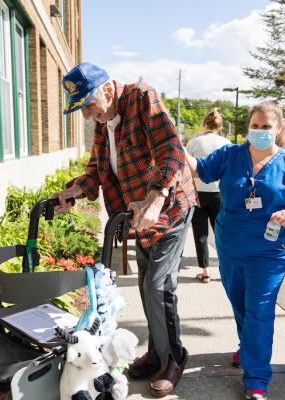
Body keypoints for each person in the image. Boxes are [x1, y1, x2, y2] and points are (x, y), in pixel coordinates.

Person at [54, 63, 197, 398]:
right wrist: (75, 190)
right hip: (140, 213)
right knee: (149, 286)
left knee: (157, 287)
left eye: (88, 105)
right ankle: (157, 353)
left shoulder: (141, 97)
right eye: (82, 110)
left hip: (170, 207)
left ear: (106, 90)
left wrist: (157, 196)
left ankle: (175, 357)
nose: (88, 116)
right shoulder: (106, 121)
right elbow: (98, 168)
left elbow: (171, 150)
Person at [184, 101, 285, 400]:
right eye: (254, 126)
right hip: (230, 248)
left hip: (269, 253)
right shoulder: (231, 155)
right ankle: (248, 349)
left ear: (279, 129)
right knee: (241, 304)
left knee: (260, 311)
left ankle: (256, 378)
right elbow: (199, 170)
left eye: (266, 127)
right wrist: (171, 143)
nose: (258, 131)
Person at [186, 108, 230, 283]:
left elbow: (187, 167)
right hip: (219, 193)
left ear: (205, 124)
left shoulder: (194, 142)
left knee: (200, 233)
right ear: (219, 126)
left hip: (198, 193)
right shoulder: (226, 143)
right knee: (221, 232)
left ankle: (205, 272)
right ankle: (225, 269)